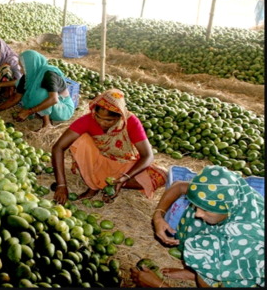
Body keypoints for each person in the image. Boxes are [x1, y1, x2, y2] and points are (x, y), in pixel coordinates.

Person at [131, 165, 264, 288]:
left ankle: (208, 277)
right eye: (198, 207)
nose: (197, 213)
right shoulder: (231, 196)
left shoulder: (240, 244)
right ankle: (198, 273)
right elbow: (178, 186)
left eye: (205, 210)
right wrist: (158, 216)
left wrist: (158, 285)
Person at [51, 88, 167, 205]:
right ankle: (94, 185)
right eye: (98, 117)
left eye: (108, 120)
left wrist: (125, 178)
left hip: (123, 164)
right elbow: (58, 147)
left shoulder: (130, 121)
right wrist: (61, 185)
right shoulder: (87, 120)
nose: (102, 122)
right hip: (96, 162)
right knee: (80, 141)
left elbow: (148, 156)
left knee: (161, 176)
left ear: (120, 116)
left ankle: (108, 183)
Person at [0, 50, 75, 129]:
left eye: (22, 67)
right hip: (52, 106)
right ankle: (40, 114)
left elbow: (54, 99)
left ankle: (47, 125)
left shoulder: (49, 74)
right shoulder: (29, 76)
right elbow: (16, 98)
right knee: (28, 93)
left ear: (31, 64)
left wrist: (28, 111)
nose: (21, 70)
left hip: (63, 108)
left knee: (39, 93)